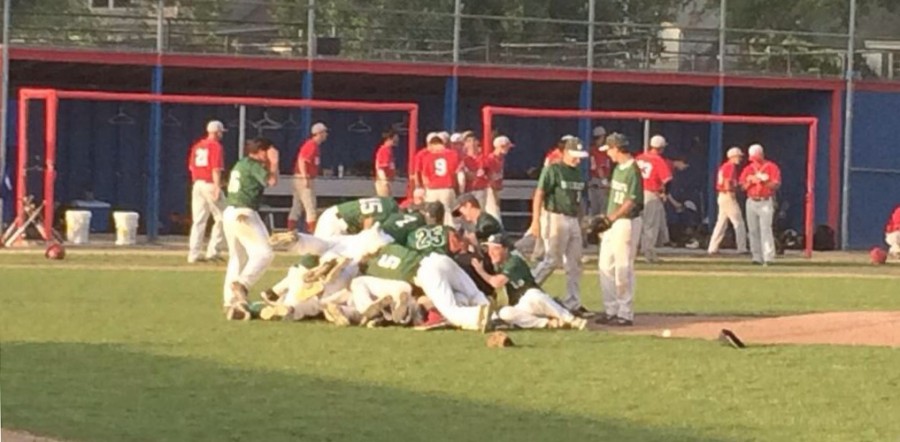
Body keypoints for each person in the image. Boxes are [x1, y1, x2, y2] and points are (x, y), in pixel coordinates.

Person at [529, 137, 591, 317]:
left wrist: (582, 221)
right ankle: (527, 288)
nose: (578, 160)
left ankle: (573, 302)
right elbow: (539, 194)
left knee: (575, 263)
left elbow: (579, 201)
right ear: (565, 153)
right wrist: (535, 220)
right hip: (555, 216)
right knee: (552, 260)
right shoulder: (553, 169)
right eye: (575, 155)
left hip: (572, 219)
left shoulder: (578, 173)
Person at [471, 234, 587, 330]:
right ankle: (547, 323)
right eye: (489, 249)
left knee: (532, 294)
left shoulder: (514, 261)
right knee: (505, 313)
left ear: (505, 249)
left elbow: (497, 282)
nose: (491, 252)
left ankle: (571, 319)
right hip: (522, 307)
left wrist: (480, 271)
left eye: (495, 249)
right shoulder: (498, 264)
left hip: (534, 301)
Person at [222, 138, 279, 320]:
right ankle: (242, 284)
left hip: (230, 211)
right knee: (265, 253)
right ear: (261, 151)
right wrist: (274, 162)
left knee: (238, 258)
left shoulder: (242, 163)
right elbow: (271, 181)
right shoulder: (253, 164)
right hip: (244, 212)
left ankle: (231, 302)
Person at [597, 133, 643, 326]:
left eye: (609, 150)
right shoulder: (617, 169)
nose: (608, 154)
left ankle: (625, 313)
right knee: (605, 265)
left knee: (623, 267)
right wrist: (606, 220)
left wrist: (611, 218)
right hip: (613, 222)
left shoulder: (632, 169)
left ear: (617, 148)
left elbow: (631, 201)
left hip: (626, 222)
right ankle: (611, 309)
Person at [187, 120, 226, 263]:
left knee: (199, 220)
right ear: (217, 132)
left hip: (197, 183)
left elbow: (191, 167)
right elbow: (216, 168)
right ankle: (213, 251)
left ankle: (193, 253)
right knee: (223, 217)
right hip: (209, 183)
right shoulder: (215, 146)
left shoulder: (197, 146)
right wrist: (217, 186)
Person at [739, 143, 782, 265]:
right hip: (751, 201)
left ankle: (768, 257)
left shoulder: (771, 167)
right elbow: (742, 187)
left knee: (766, 229)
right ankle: (756, 257)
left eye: (756, 158)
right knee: (752, 230)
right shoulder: (748, 169)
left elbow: (776, 185)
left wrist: (764, 182)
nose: (755, 162)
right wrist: (750, 181)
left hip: (765, 201)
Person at [635, 135, 673, 263]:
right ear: (661, 148)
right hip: (651, 193)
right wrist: (665, 194)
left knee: (635, 224)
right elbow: (667, 180)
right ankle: (648, 254)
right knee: (650, 225)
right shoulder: (658, 160)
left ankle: (632, 252)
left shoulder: (639, 157)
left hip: (636, 193)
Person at [708, 147, 748, 255]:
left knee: (721, 223)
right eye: (738, 156)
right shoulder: (730, 166)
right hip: (727, 195)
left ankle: (712, 248)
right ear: (732, 157)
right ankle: (742, 248)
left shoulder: (725, 166)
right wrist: (730, 192)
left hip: (722, 196)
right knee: (738, 222)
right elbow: (727, 181)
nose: (740, 158)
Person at [288, 122, 328, 233]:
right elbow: (302, 160)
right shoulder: (311, 145)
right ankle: (312, 233)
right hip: (303, 178)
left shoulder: (313, 146)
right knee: (310, 206)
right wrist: (305, 177)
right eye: (324, 132)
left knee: (297, 206)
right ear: (319, 133)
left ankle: (291, 230)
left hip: (299, 177)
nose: (326, 135)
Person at [420, 132, 460, 226]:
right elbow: (455, 173)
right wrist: (456, 189)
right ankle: (450, 235)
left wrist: (426, 189)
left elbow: (425, 176)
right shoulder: (452, 154)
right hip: (446, 188)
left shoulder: (427, 157)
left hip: (432, 189)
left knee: (431, 214)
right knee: (449, 215)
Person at [314, 196, 400, 238]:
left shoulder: (388, 202)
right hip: (336, 223)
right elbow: (368, 222)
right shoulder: (390, 212)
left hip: (335, 215)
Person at [483, 135, 513, 224]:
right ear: (501, 146)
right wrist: (494, 190)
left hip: (496, 189)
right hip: (489, 189)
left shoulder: (501, 159)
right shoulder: (490, 159)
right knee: (493, 213)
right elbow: (486, 176)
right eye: (507, 146)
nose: (508, 149)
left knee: (494, 211)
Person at [460, 131, 489, 208]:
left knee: (479, 213)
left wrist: (471, 174)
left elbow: (484, 174)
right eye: (468, 141)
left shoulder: (483, 158)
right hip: (466, 191)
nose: (472, 143)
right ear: (464, 144)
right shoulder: (462, 159)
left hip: (480, 190)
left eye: (474, 140)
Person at [588, 126, 611, 216]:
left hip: (597, 182)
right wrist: (605, 183)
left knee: (596, 212)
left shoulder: (602, 150)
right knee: (600, 212)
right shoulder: (596, 151)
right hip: (599, 182)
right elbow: (599, 168)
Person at [373, 129, 398, 197]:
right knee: (385, 201)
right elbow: (380, 168)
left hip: (387, 181)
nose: (397, 140)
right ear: (389, 139)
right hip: (383, 182)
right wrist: (384, 182)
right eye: (395, 139)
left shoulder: (389, 150)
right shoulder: (384, 150)